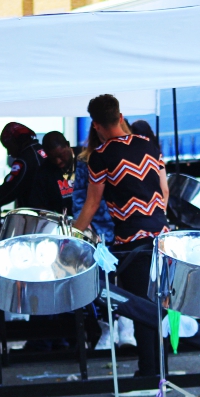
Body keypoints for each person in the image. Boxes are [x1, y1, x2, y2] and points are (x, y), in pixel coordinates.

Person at [74, 94, 169, 377]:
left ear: (96, 125)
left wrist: (72, 234)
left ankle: (149, 371)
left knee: (140, 306)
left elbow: (91, 205)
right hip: (162, 237)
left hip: (131, 242)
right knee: (160, 301)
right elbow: (164, 191)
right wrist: (155, 218)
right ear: (120, 116)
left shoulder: (100, 156)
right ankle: (162, 368)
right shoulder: (148, 145)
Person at [0, 123, 63, 213]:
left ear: (16, 142)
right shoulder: (42, 151)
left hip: (36, 217)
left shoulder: (24, 161)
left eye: (8, 146)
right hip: (54, 213)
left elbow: (8, 191)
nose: (8, 153)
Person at [40, 131, 76, 215]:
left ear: (67, 145)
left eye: (61, 155)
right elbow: (42, 207)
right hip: (63, 223)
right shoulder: (44, 171)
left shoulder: (86, 160)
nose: (58, 161)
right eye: (52, 158)